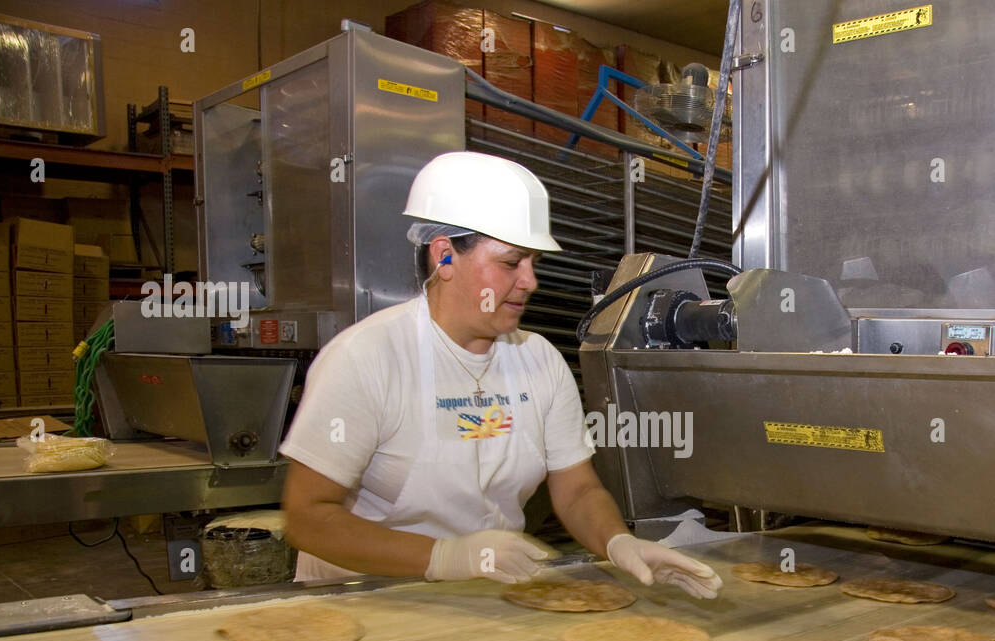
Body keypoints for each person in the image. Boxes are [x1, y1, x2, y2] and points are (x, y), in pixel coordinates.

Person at [279, 151, 722, 598]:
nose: (530, 281)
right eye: (511, 263)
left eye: (533, 263)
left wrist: (618, 543)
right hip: (361, 602)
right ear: (444, 258)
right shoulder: (367, 358)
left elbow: (577, 490)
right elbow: (308, 516)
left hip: (481, 602)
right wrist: (445, 557)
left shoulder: (539, 361)